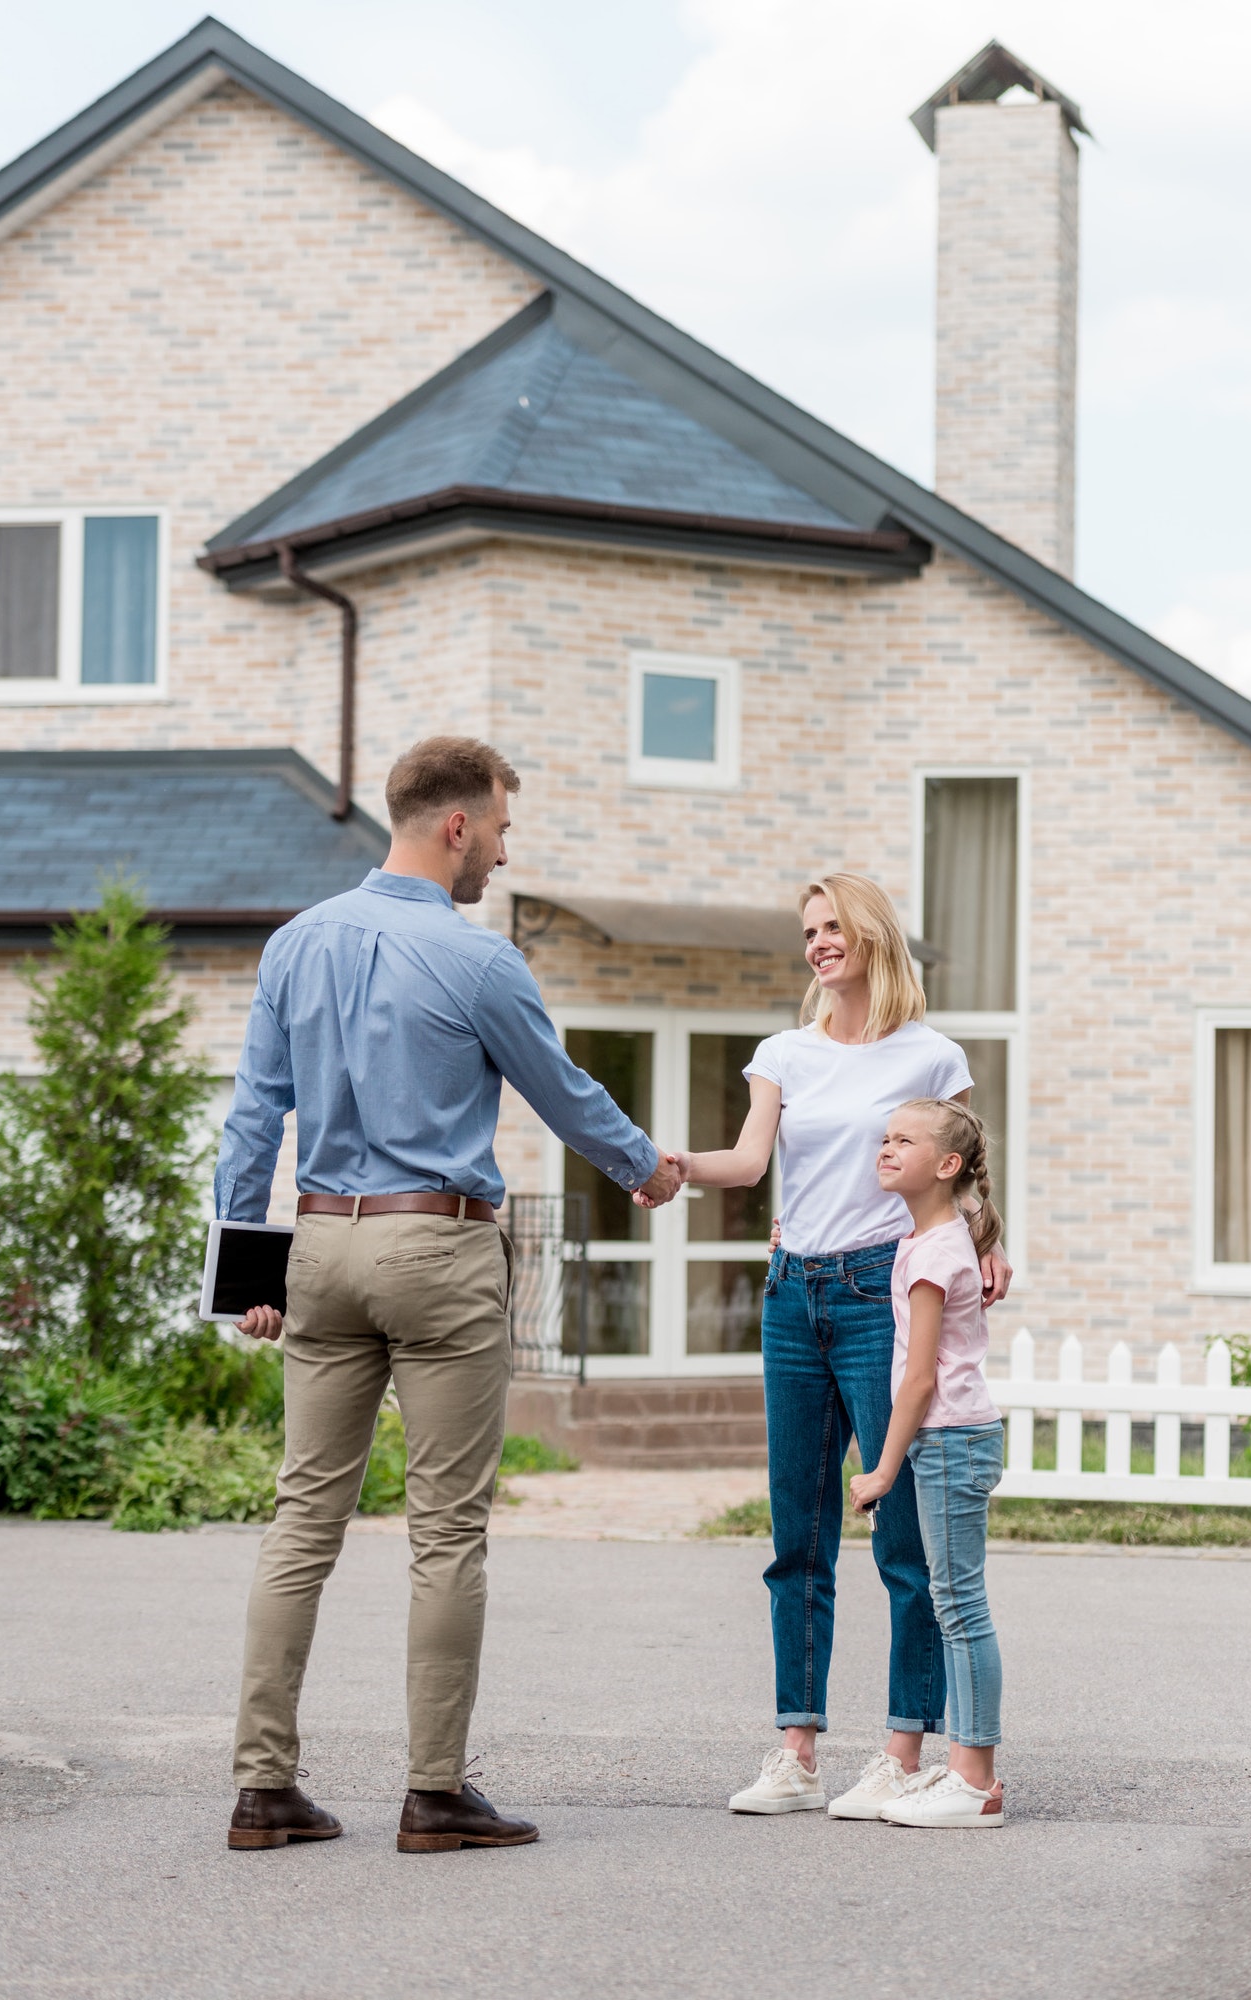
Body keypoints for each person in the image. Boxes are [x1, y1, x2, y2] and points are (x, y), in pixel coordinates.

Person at [216, 735, 682, 1854]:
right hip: (437, 1249)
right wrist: (648, 1168)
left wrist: (244, 1278)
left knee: (302, 1520)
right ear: (457, 825)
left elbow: (252, 1118)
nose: (505, 858)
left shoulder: (295, 944)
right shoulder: (478, 961)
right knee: (447, 1529)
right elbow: (563, 1093)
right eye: (503, 832)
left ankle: (262, 1788)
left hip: (320, 1252)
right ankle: (433, 1793)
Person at [639, 872, 1010, 1817]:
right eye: (808, 931)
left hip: (882, 1294)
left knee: (900, 1538)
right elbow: (749, 1161)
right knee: (796, 1535)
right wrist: (676, 1166)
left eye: (833, 926)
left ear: (873, 936)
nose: (818, 944)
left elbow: (964, 1163)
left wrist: (992, 1241)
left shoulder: (931, 1054)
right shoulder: (783, 1053)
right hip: (793, 1294)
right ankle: (796, 1750)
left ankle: (900, 1750)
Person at [848, 1099, 1006, 1828]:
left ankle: (974, 1782)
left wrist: (880, 1471)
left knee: (958, 1607)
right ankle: (964, 1771)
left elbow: (918, 1377)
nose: (885, 1148)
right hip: (945, 1439)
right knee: (952, 1602)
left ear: (946, 1167)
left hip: (948, 1440)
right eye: (883, 1138)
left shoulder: (938, 1249)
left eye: (902, 1140)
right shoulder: (928, 1239)